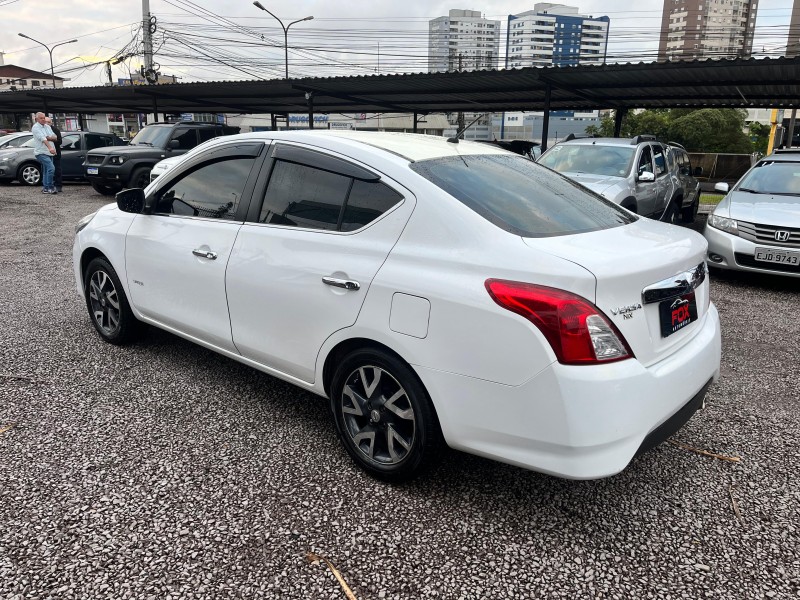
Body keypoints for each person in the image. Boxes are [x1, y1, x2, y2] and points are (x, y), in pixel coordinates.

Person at [31, 112, 57, 194]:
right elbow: (43, 139)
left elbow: (55, 137)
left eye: (44, 118)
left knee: (46, 170)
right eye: (41, 118)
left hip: (49, 152)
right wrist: (50, 147)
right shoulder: (35, 128)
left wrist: (50, 138)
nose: (43, 120)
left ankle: (45, 188)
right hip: (41, 152)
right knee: (51, 168)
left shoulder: (47, 126)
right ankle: (50, 187)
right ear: (36, 119)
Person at [45, 117, 63, 192]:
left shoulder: (55, 130)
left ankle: (58, 185)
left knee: (57, 170)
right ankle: (47, 186)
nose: (47, 123)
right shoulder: (42, 130)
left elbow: (59, 142)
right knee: (46, 170)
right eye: (46, 122)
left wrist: (51, 139)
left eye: (49, 122)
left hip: (55, 153)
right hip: (45, 153)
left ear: (51, 123)